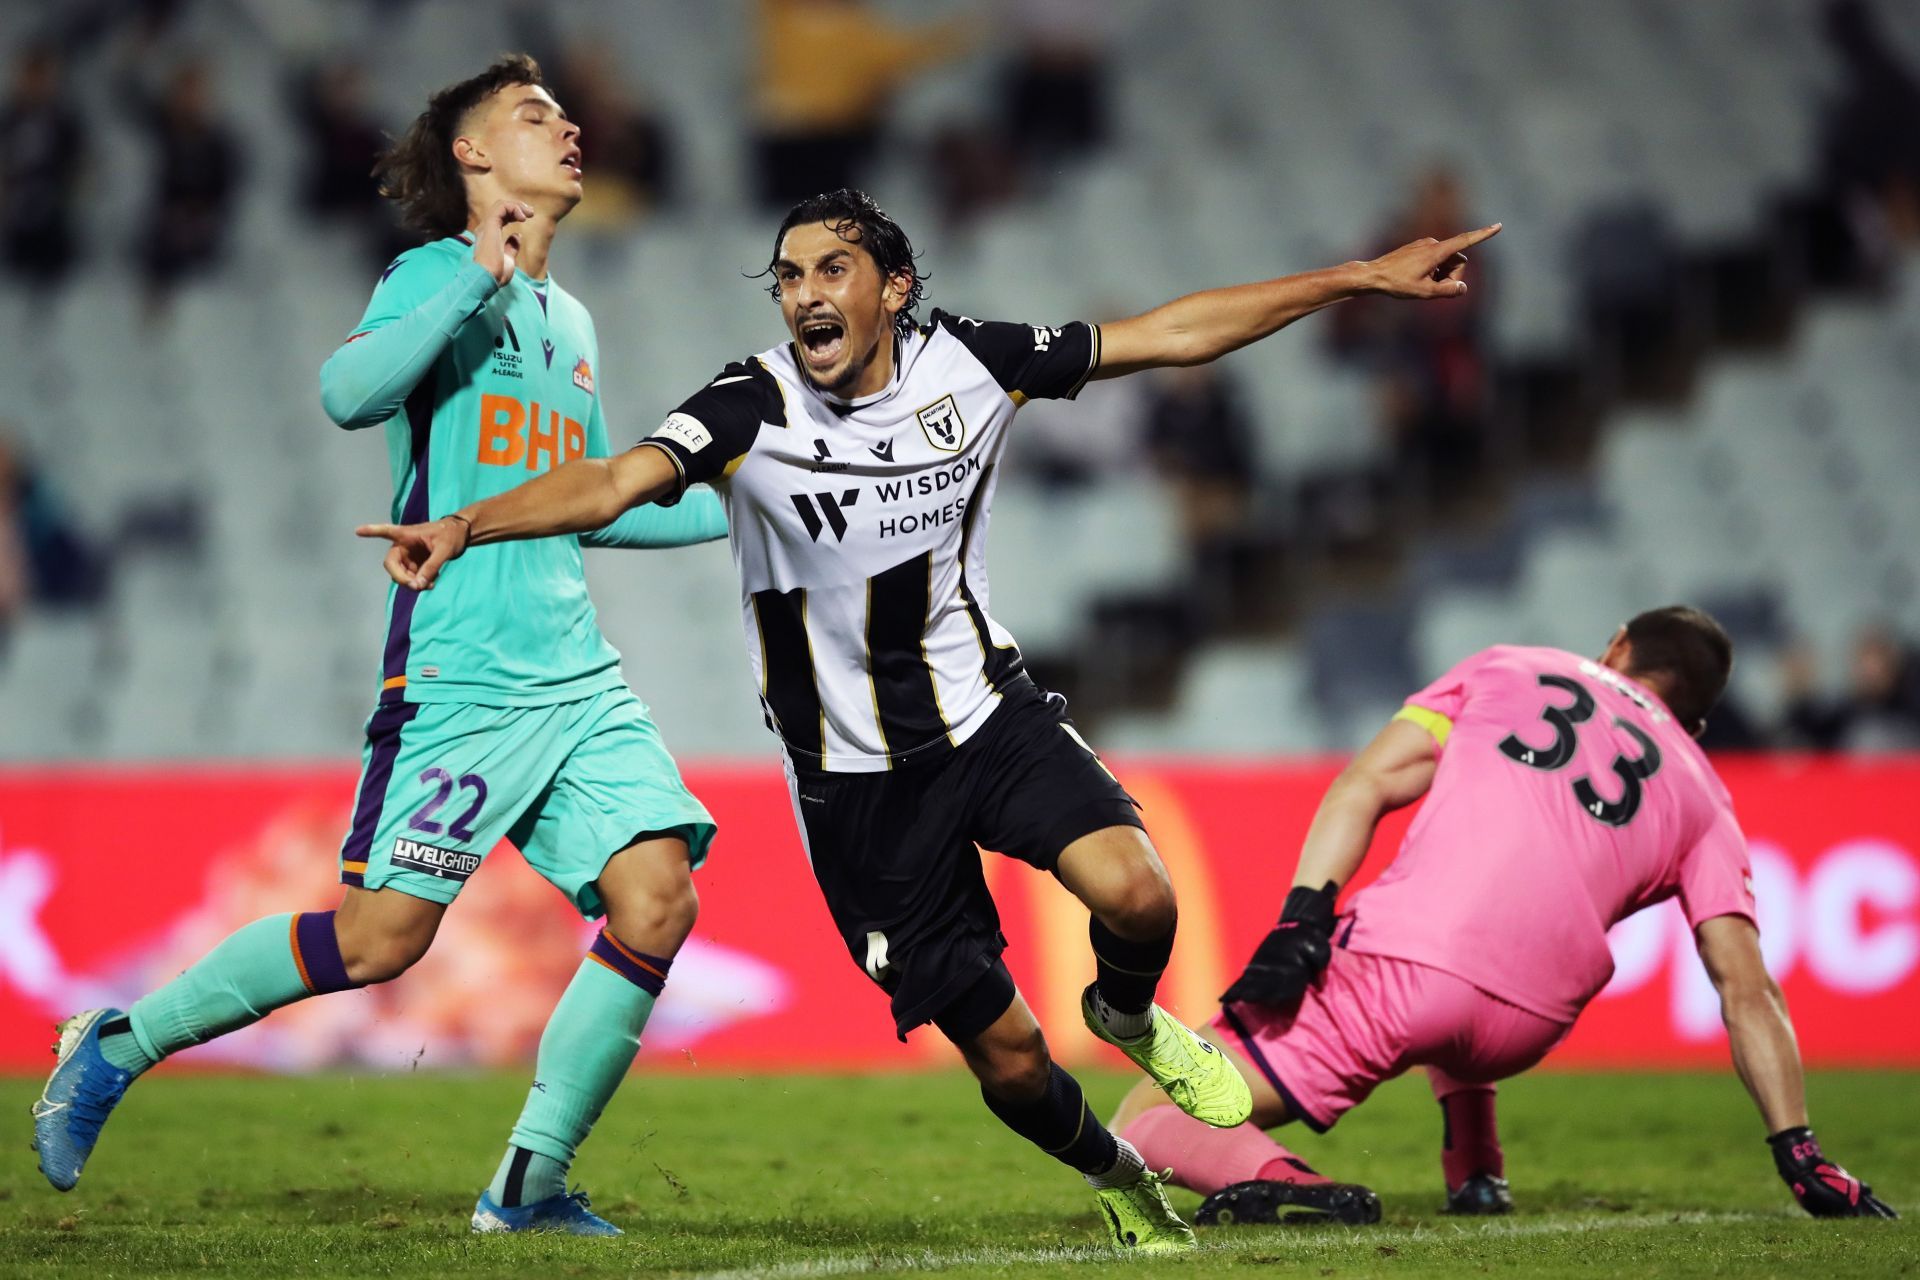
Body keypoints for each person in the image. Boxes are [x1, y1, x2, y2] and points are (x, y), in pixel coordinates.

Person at [357, 187, 1499, 1250]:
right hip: (858, 787)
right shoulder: (749, 402)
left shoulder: (972, 361)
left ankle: (1129, 1011)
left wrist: (1358, 277)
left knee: (1140, 891)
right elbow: (609, 484)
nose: (806, 291)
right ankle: (1124, 1180)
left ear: (894, 287)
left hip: (988, 719)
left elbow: (1169, 335)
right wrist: (463, 522)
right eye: (790, 273)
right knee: (1006, 1056)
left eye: (834, 267)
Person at [32, 55, 732, 1238]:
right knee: (380, 940)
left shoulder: (573, 320)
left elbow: (599, 498)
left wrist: (768, 509)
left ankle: (527, 1183)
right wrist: (474, 275)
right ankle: (117, 1038)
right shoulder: (431, 273)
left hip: (577, 675)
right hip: (461, 675)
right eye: (530, 116)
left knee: (659, 895)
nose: (563, 129)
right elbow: (348, 392)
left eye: (562, 114)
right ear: (470, 157)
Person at [1104, 607, 1898, 1227]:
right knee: (1472, 963)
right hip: (1529, 1024)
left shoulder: (1512, 668)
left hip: (1405, 971)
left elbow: (1365, 783)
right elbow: (1747, 988)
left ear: (1616, 646)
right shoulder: (1706, 797)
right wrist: (1800, 1150)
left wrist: (1303, 920)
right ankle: (1478, 1168)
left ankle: (1286, 1183)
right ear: (1694, 717)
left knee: (1148, 1111)